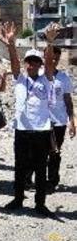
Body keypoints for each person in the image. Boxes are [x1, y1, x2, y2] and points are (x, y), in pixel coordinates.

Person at [1, 22, 58, 217]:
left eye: (35, 62)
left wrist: (50, 43)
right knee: (20, 166)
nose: (31, 64)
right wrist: (11, 43)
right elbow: (14, 62)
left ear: (40, 65)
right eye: (28, 62)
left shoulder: (46, 79)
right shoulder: (20, 79)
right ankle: (18, 198)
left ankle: (40, 203)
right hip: (22, 130)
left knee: (41, 168)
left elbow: (49, 63)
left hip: (41, 130)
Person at [47, 46, 75, 193]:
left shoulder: (64, 78)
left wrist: (72, 121)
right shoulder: (39, 76)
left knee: (54, 152)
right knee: (36, 152)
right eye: (51, 58)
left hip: (58, 122)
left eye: (56, 59)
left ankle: (52, 181)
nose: (54, 61)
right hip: (40, 122)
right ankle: (29, 179)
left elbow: (68, 101)